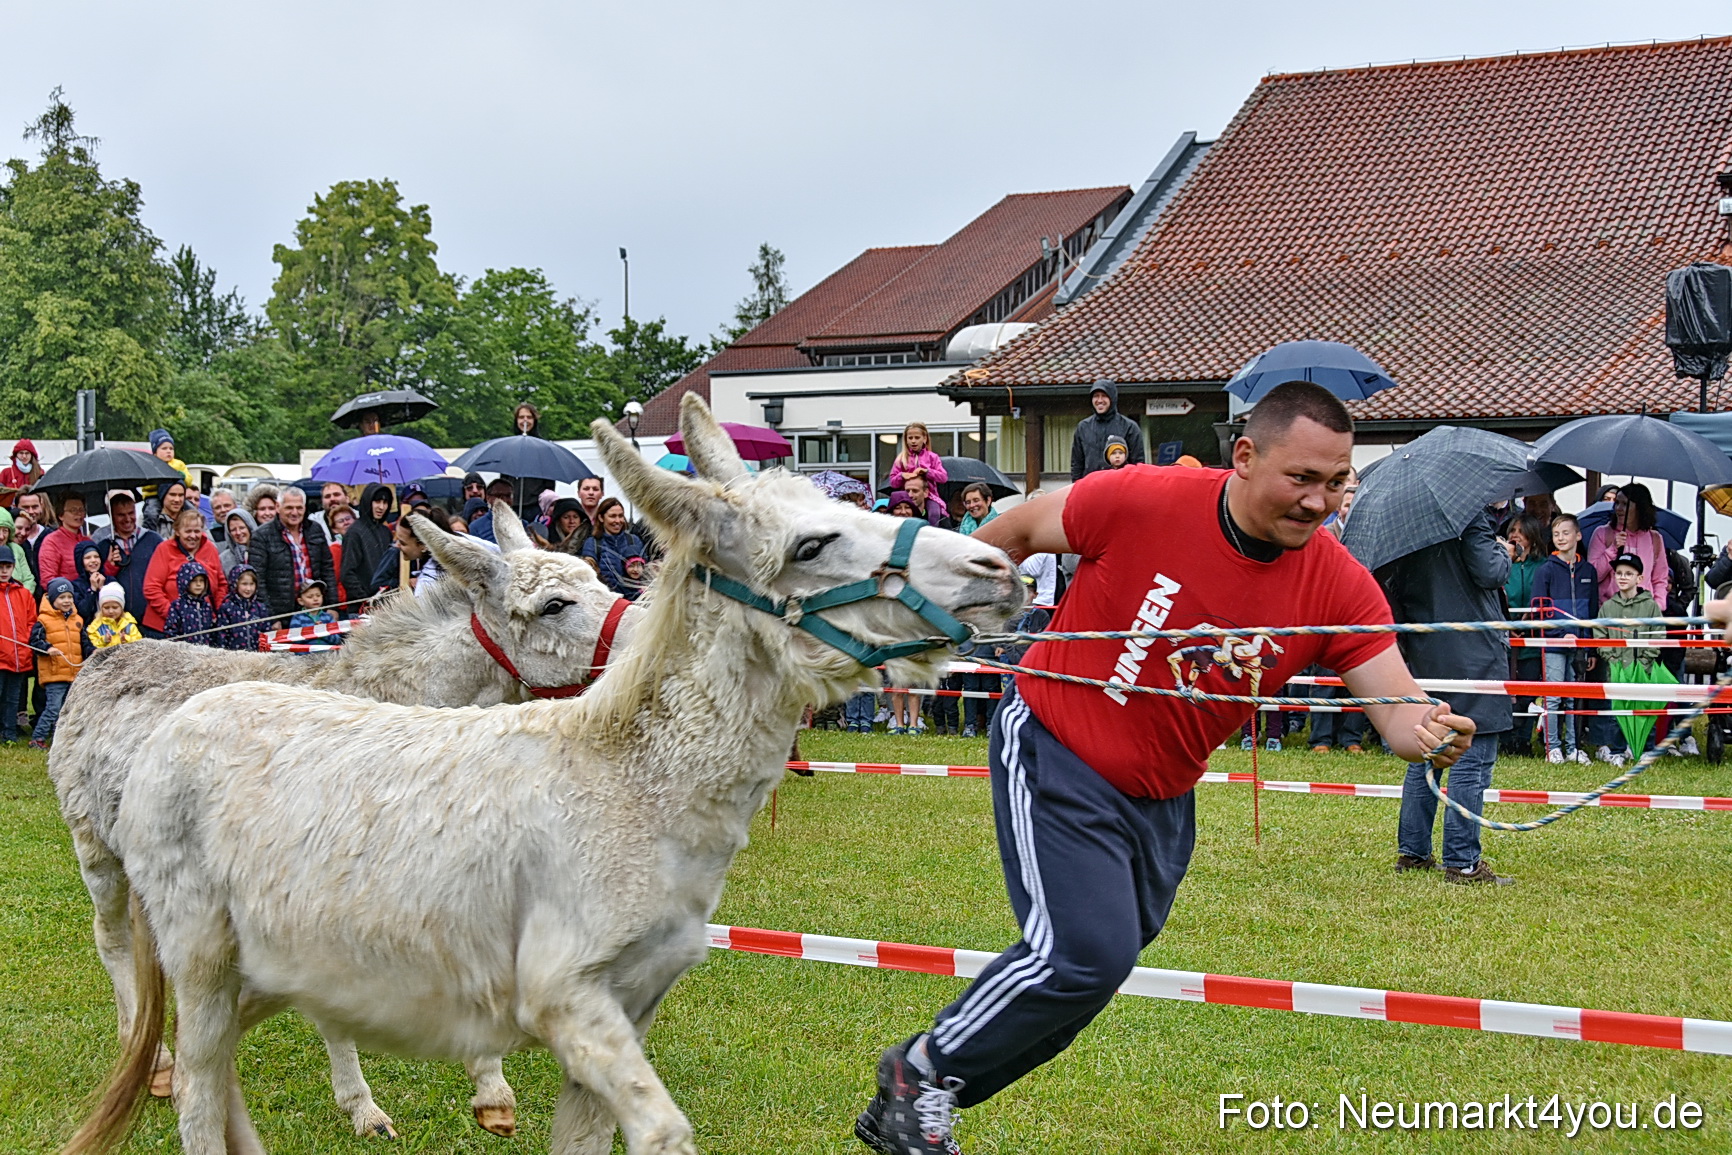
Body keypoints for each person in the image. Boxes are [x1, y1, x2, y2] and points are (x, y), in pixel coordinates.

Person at [854, 382, 1475, 1155]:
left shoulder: (1336, 584)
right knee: (1084, 953)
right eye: (1302, 478)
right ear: (1245, 457)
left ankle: (922, 1101)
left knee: (1087, 983)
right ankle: (920, 1072)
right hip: (1056, 743)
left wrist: (1432, 730)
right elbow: (1017, 528)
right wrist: (940, 614)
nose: (1319, 501)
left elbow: (1394, 708)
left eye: (1336, 480)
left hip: (1162, 795)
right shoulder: (1146, 497)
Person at [1385, 507, 1512, 885]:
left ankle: (1413, 852)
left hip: (1425, 649)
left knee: (1426, 752)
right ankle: (1462, 862)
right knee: (1472, 758)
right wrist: (1502, 550)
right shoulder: (1470, 516)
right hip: (1472, 653)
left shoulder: (1403, 522)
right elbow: (1490, 571)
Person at [1531, 512, 1599, 763]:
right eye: (1556, 534)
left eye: (1566, 532)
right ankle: (1553, 747)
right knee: (1554, 696)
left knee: (1573, 696)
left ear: (1578, 535)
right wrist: (1561, 633)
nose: (1560, 538)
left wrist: (1589, 645)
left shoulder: (1588, 571)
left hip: (1580, 642)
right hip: (1554, 644)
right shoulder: (1545, 570)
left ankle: (1572, 746)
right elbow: (1539, 610)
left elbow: (1593, 610)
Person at [249, 486, 336, 623]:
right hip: (281, 614)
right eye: (289, 507)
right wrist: (271, 618)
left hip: (315, 612)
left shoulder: (315, 530)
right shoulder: (262, 535)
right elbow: (258, 580)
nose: (295, 512)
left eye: (299, 508)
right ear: (278, 507)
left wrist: (332, 605)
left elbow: (327, 569)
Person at [1501, 513, 1549, 757]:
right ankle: (1506, 739)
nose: (1515, 535)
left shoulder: (1542, 566)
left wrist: (1527, 620)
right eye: (1512, 530)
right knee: (1506, 691)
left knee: (1527, 691)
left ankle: (1523, 740)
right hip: (1504, 639)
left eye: (1520, 530)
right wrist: (1507, 623)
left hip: (1531, 639)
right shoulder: (1501, 564)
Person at [143, 508, 228, 638]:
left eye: (197, 531)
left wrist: (218, 613)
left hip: (202, 626)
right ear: (177, 531)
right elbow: (151, 588)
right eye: (188, 531)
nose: (193, 536)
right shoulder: (164, 549)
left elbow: (221, 584)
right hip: (164, 628)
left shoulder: (210, 548)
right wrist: (176, 615)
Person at [28, 577, 89, 748]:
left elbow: (85, 643)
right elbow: (34, 641)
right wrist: (47, 648)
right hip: (54, 674)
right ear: (53, 599)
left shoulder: (78, 620)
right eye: (62, 597)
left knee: (68, 709)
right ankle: (38, 738)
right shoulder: (44, 621)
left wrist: (93, 651)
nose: (66, 601)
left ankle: (61, 740)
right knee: (53, 708)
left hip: (74, 673)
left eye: (69, 597)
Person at [1587, 483, 1667, 610]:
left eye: (1625, 504)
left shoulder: (1654, 538)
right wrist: (1612, 549)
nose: (1618, 508)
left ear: (1640, 508)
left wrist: (1658, 605)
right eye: (1617, 503)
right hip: (1610, 610)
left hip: (1644, 612)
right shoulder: (1603, 533)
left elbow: (1660, 578)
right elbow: (1592, 575)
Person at [96, 493, 162, 626]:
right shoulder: (103, 546)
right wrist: (109, 566)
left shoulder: (153, 540)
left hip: (150, 617)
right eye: (121, 515)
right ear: (111, 516)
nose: (127, 519)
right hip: (117, 622)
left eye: (131, 513)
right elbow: (99, 583)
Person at [1068, 378, 1145, 481]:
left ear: (1112, 398)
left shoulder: (1129, 427)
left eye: (1104, 396)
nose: (1099, 400)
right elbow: (1077, 464)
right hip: (1091, 487)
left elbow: (1138, 465)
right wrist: (1076, 486)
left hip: (1119, 487)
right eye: (1096, 396)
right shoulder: (1083, 427)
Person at [0, 552, 37, 741]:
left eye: (7, 566)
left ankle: (9, 734)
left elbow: (31, 621)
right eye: (0, 567)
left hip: (18, 656)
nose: (3, 571)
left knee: (12, 699)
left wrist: (25, 641)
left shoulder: (23, 594)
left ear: (14, 567)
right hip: (1, 656)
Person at [339, 483, 394, 606]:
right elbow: (347, 573)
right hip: (361, 607)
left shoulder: (386, 532)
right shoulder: (355, 532)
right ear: (368, 501)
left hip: (385, 605)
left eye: (385, 503)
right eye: (377, 501)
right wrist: (365, 600)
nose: (381, 507)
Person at [580, 498, 646, 596]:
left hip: (634, 601)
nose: (618, 521)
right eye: (612, 516)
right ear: (601, 518)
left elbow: (646, 570)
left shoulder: (634, 540)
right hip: (607, 601)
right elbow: (588, 572)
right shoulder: (592, 543)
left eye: (620, 516)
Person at [35, 493, 91, 587]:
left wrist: (111, 564)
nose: (79, 513)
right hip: (66, 597)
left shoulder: (88, 541)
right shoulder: (51, 542)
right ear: (61, 515)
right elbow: (48, 580)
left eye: (81, 510)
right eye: (73, 510)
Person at [162, 560, 219, 646]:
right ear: (185, 581)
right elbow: (171, 632)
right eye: (194, 581)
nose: (198, 584)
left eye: (201, 581)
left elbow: (212, 633)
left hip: (205, 653)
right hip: (184, 654)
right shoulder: (177, 606)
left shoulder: (206, 606)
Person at [215, 564, 270, 651]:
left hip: (257, 659)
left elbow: (266, 634)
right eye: (244, 584)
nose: (248, 588)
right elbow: (222, 636)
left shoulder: (260, 608)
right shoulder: (227, 608)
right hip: (234, 659)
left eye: (252, 584)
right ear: (235, 584)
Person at [888, 423, 948, 493]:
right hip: (907, 496)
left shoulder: (932, 457)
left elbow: (943, 477)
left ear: (924, 439)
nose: (913, 441)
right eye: (910, 438)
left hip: (929, 495)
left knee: (936, 504)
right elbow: (892, 483)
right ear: (906, 440)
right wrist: (902, 476)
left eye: (917, 437)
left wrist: (927, 472)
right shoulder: (901, 458)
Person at [86, 583, 143, 649]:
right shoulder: (96, 626)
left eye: (115, 607)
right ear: (101, 608)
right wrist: (104, 640)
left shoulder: (129, 624)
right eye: (106, 608)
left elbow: (139, 642)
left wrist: (126, 639)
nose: (111, 611)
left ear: (122, 608)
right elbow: (92, 645)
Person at [13, 491, 53, 576]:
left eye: (35, 507)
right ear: (15, 507)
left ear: (41, 507)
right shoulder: (10, 539)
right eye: (26, 507)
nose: (31, 512)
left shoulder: (51, 536)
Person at [0, 508, 36, 592]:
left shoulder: (16, 549)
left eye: (5, 531)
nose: (1, 536)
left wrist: (20, 597)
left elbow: (29, 580)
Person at [0, 439, 44, 506]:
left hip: (33, 510)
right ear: (16, 455)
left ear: (32, 455)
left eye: (27, 453)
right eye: (21, 453)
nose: (24, 456)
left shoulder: (40, 473)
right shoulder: (6, 472)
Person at [71, 540, 106, 623]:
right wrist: (93, 589)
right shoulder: (76, 585)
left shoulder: (110, 580)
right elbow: (83, 612)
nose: (93, 560)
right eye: (88, 558)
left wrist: (102, 589)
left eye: (96, 556)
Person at [218, 509, 256, 576]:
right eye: (233, 530)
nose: (238, 532)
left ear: (249, 528)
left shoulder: (264, 551)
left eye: (242, 528)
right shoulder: (223, 559)